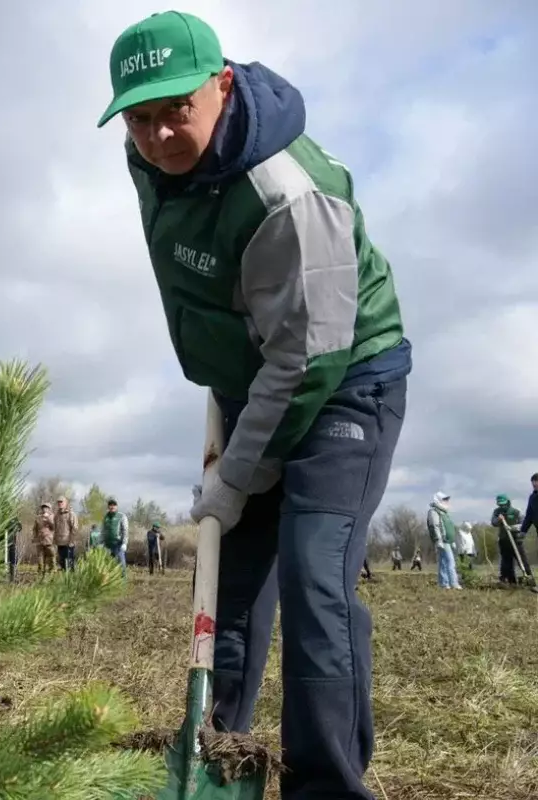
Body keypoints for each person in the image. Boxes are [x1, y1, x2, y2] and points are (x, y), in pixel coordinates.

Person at [97, 11, 411, 799]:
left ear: (223, 85)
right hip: (256, 375)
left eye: (178, 110)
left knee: (314, 577)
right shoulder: (152, 158)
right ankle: (217, 754)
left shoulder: (288, 196)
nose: (162, 135)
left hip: (345, 378)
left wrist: (239, 472)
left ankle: (326, 785)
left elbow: (309, 354)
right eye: (140, 118)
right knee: (229, 581)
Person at [491, 494, 534, 587]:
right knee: (506, 562)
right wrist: (499, 519)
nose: (502, 506)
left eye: (503, 504)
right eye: (500, 504)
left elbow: (523, 524)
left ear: (508, 502)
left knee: (522, 560)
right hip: (504, 540)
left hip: (516, 540)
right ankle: (511, 581)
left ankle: (530, 580)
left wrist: (512, 527)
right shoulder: (496, 512)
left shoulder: (515, 512)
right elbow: (493, 523)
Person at [426, 492, 461, 590]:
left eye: (447, 499)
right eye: (444, 499)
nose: (447, 501)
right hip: (442, 541)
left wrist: (452, 540)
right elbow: (434, 526)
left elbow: (449, 527)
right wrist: (438, 540)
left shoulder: (444, 512)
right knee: (451, 562)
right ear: (438, 500)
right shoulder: (433, 512)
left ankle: (444, 584)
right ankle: (453, 583)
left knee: (443, 562)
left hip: (448, 541)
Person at [100, 498, 129, 576]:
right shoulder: (105, 517)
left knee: (121, 565)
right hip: (107, 546)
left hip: (118, 545)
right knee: (108, 566)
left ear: (117, 506)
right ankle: (111, 585)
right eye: (110, 505)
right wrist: (101, 542)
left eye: (114, 505)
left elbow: (125, 531)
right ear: (108, 507)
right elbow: (103, 531)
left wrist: (124, 543)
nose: (112, 506)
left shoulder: (121, 516)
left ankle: (123, 583)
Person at [53, 496, 80, 572]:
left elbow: (75, 528)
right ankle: (64, 580)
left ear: (66, 503)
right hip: (59, 543)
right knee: (62, 563)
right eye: (58, 502)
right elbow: (55, 528)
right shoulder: (56, 515)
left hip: (68, 543)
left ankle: (71, 580)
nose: (60, 503)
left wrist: (71, 541)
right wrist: (54, 540)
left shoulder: (71, 514)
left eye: (61, 502)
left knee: (69, 563)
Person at [32, 502, 57, 579]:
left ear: (49, 509)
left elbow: (54, 527)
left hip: (49, 541)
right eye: (43, 507)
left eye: (46, 507)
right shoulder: (38, 518)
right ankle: (41, 576)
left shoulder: (53, 517)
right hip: (40, 542)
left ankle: (52, 576)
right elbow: (34, 529)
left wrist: (48, 519)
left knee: (51, 558)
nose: (44, 509)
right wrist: (34, 537)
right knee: (40, 560)